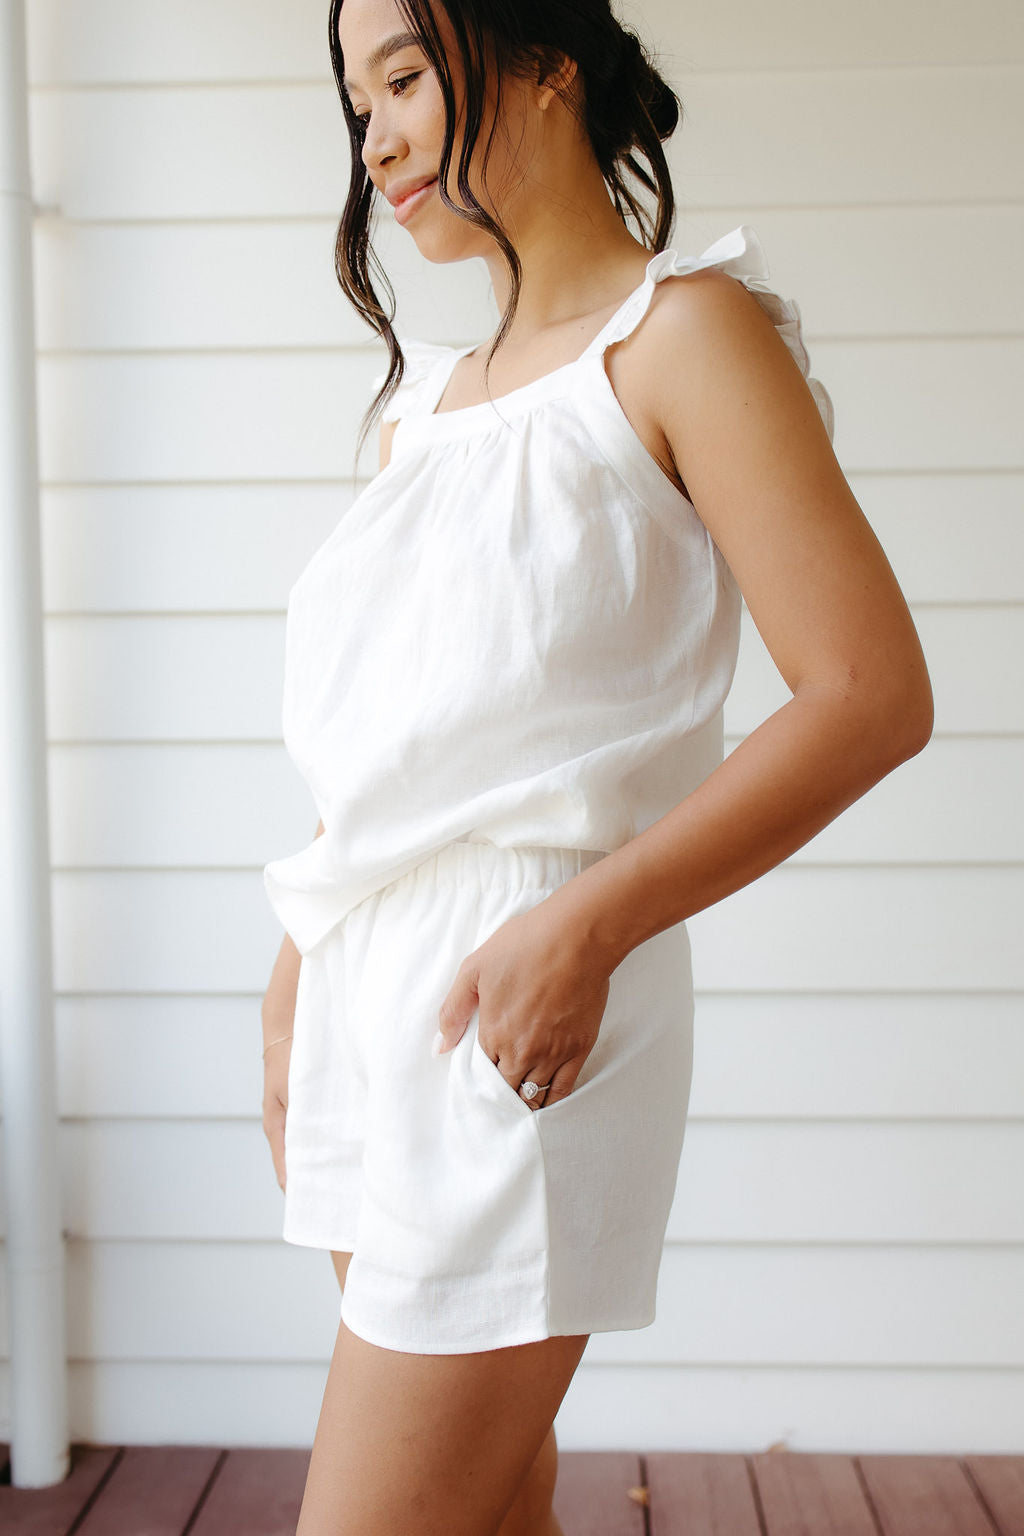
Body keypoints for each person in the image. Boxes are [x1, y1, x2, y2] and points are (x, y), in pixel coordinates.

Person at [259, 0, 934, 1530]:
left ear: (549, 57)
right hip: (368, 1006)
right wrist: (298, 968)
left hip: (527, 1004)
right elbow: (395, 740)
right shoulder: (416, 411)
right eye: (356, 101)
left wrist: (590, 925)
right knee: (490, 1503)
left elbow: (869, 695)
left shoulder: (685, 337)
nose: (375, 139)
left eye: (410, 78)